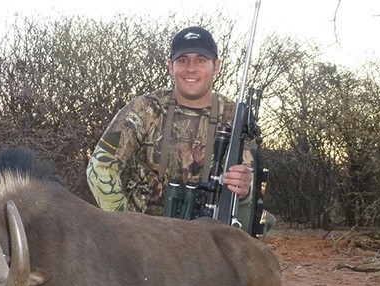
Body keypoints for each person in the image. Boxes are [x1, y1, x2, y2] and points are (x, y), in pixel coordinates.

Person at [86, 26, 268, 232]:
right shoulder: (145, 109)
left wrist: (245, 191)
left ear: (216, 66)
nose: (191, 68)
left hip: (209, 239)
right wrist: (124, 225)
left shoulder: (236, 118)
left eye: (200, 60)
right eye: (183, 60)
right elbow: (100, 167)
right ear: (171, 66)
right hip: (145, 239)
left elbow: (252, 187)